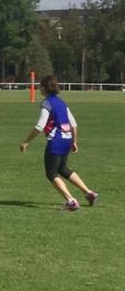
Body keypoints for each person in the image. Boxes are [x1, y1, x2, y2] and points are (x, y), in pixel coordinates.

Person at [20, 74, 98, 211]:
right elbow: (73, 124)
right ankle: (89, 193)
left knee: (51, 173)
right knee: (63, 168)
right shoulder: (61, 102)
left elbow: (40, 126)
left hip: (56, 141)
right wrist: (74, 142)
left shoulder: (46, 102)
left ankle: (71, 200)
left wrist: (26, 142)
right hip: (67, 140)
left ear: (44, 88)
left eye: (40, 86)